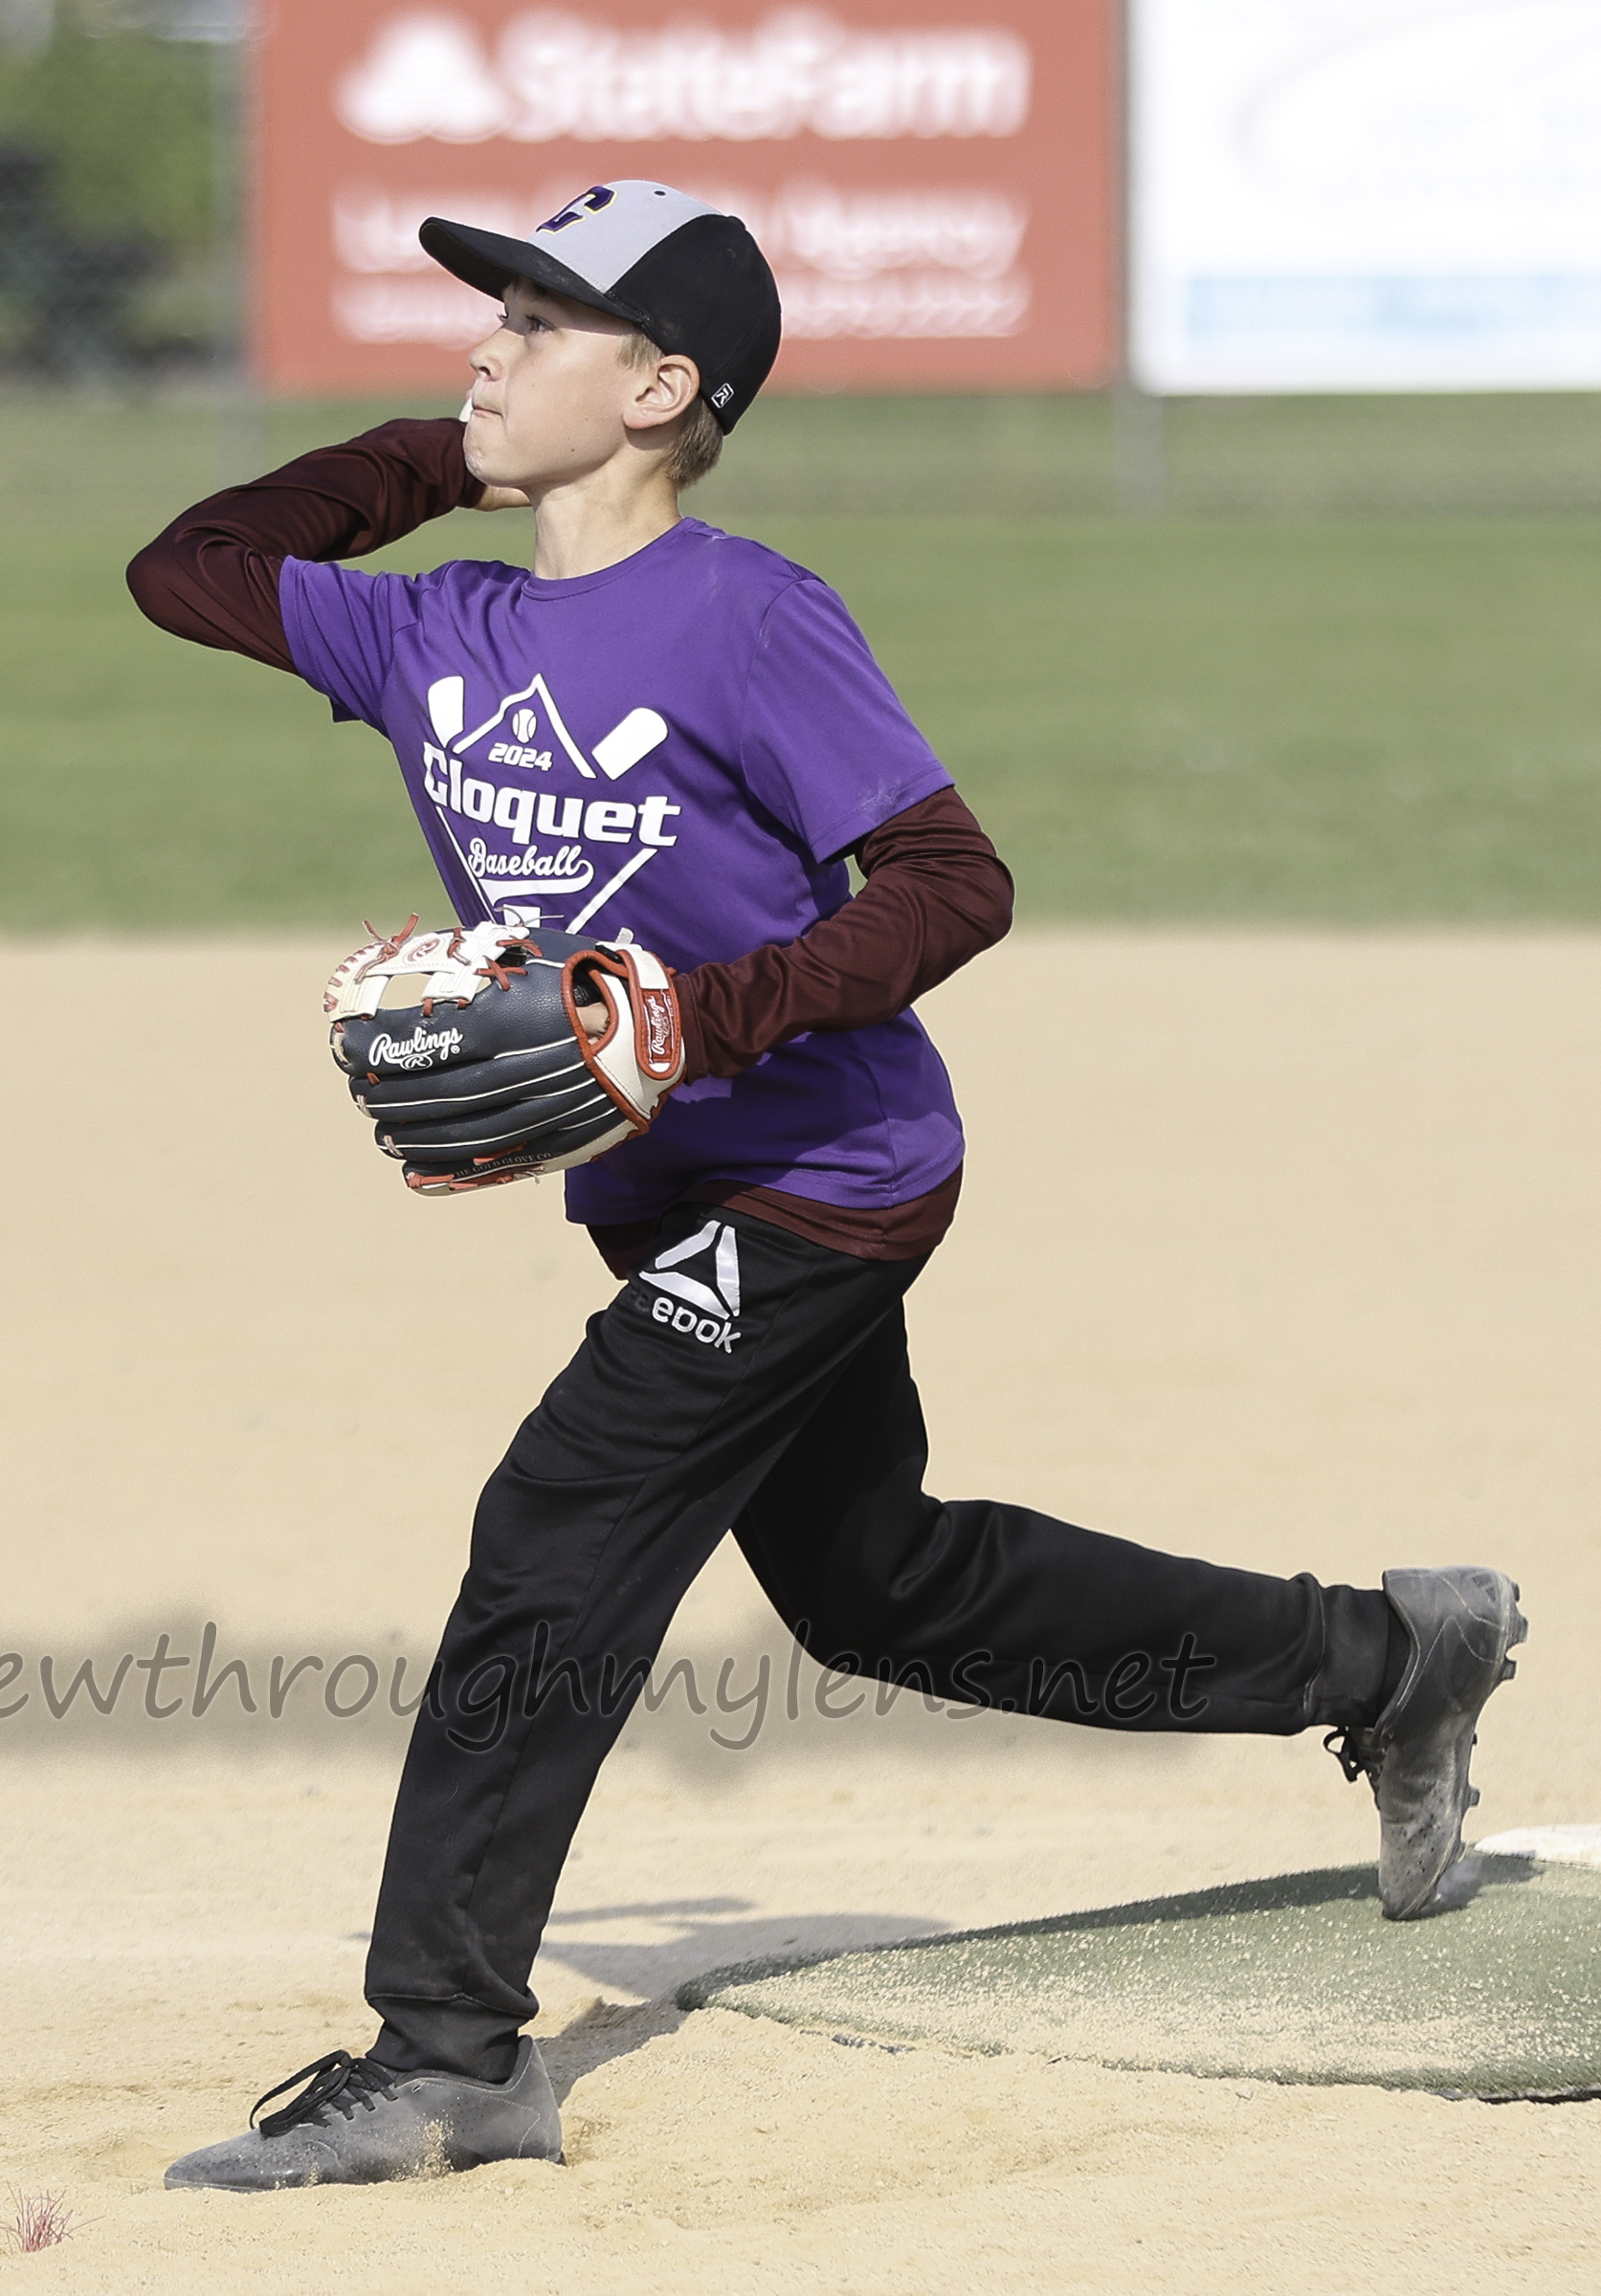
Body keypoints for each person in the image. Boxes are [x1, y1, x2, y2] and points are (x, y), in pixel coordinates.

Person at [126, 182, 1525, 2192]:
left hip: (824, 1172)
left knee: (561, 1527)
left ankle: (448, 2046)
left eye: (541, 323)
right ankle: (1391, 1657)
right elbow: (188, 568)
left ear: (665, 386)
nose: (489, 346)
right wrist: (456, 460)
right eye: (492, 318)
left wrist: (707, 1018)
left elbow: (956, 881)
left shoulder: (746, 614)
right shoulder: (436, 625)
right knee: (884, 1583)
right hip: (678, 1184)